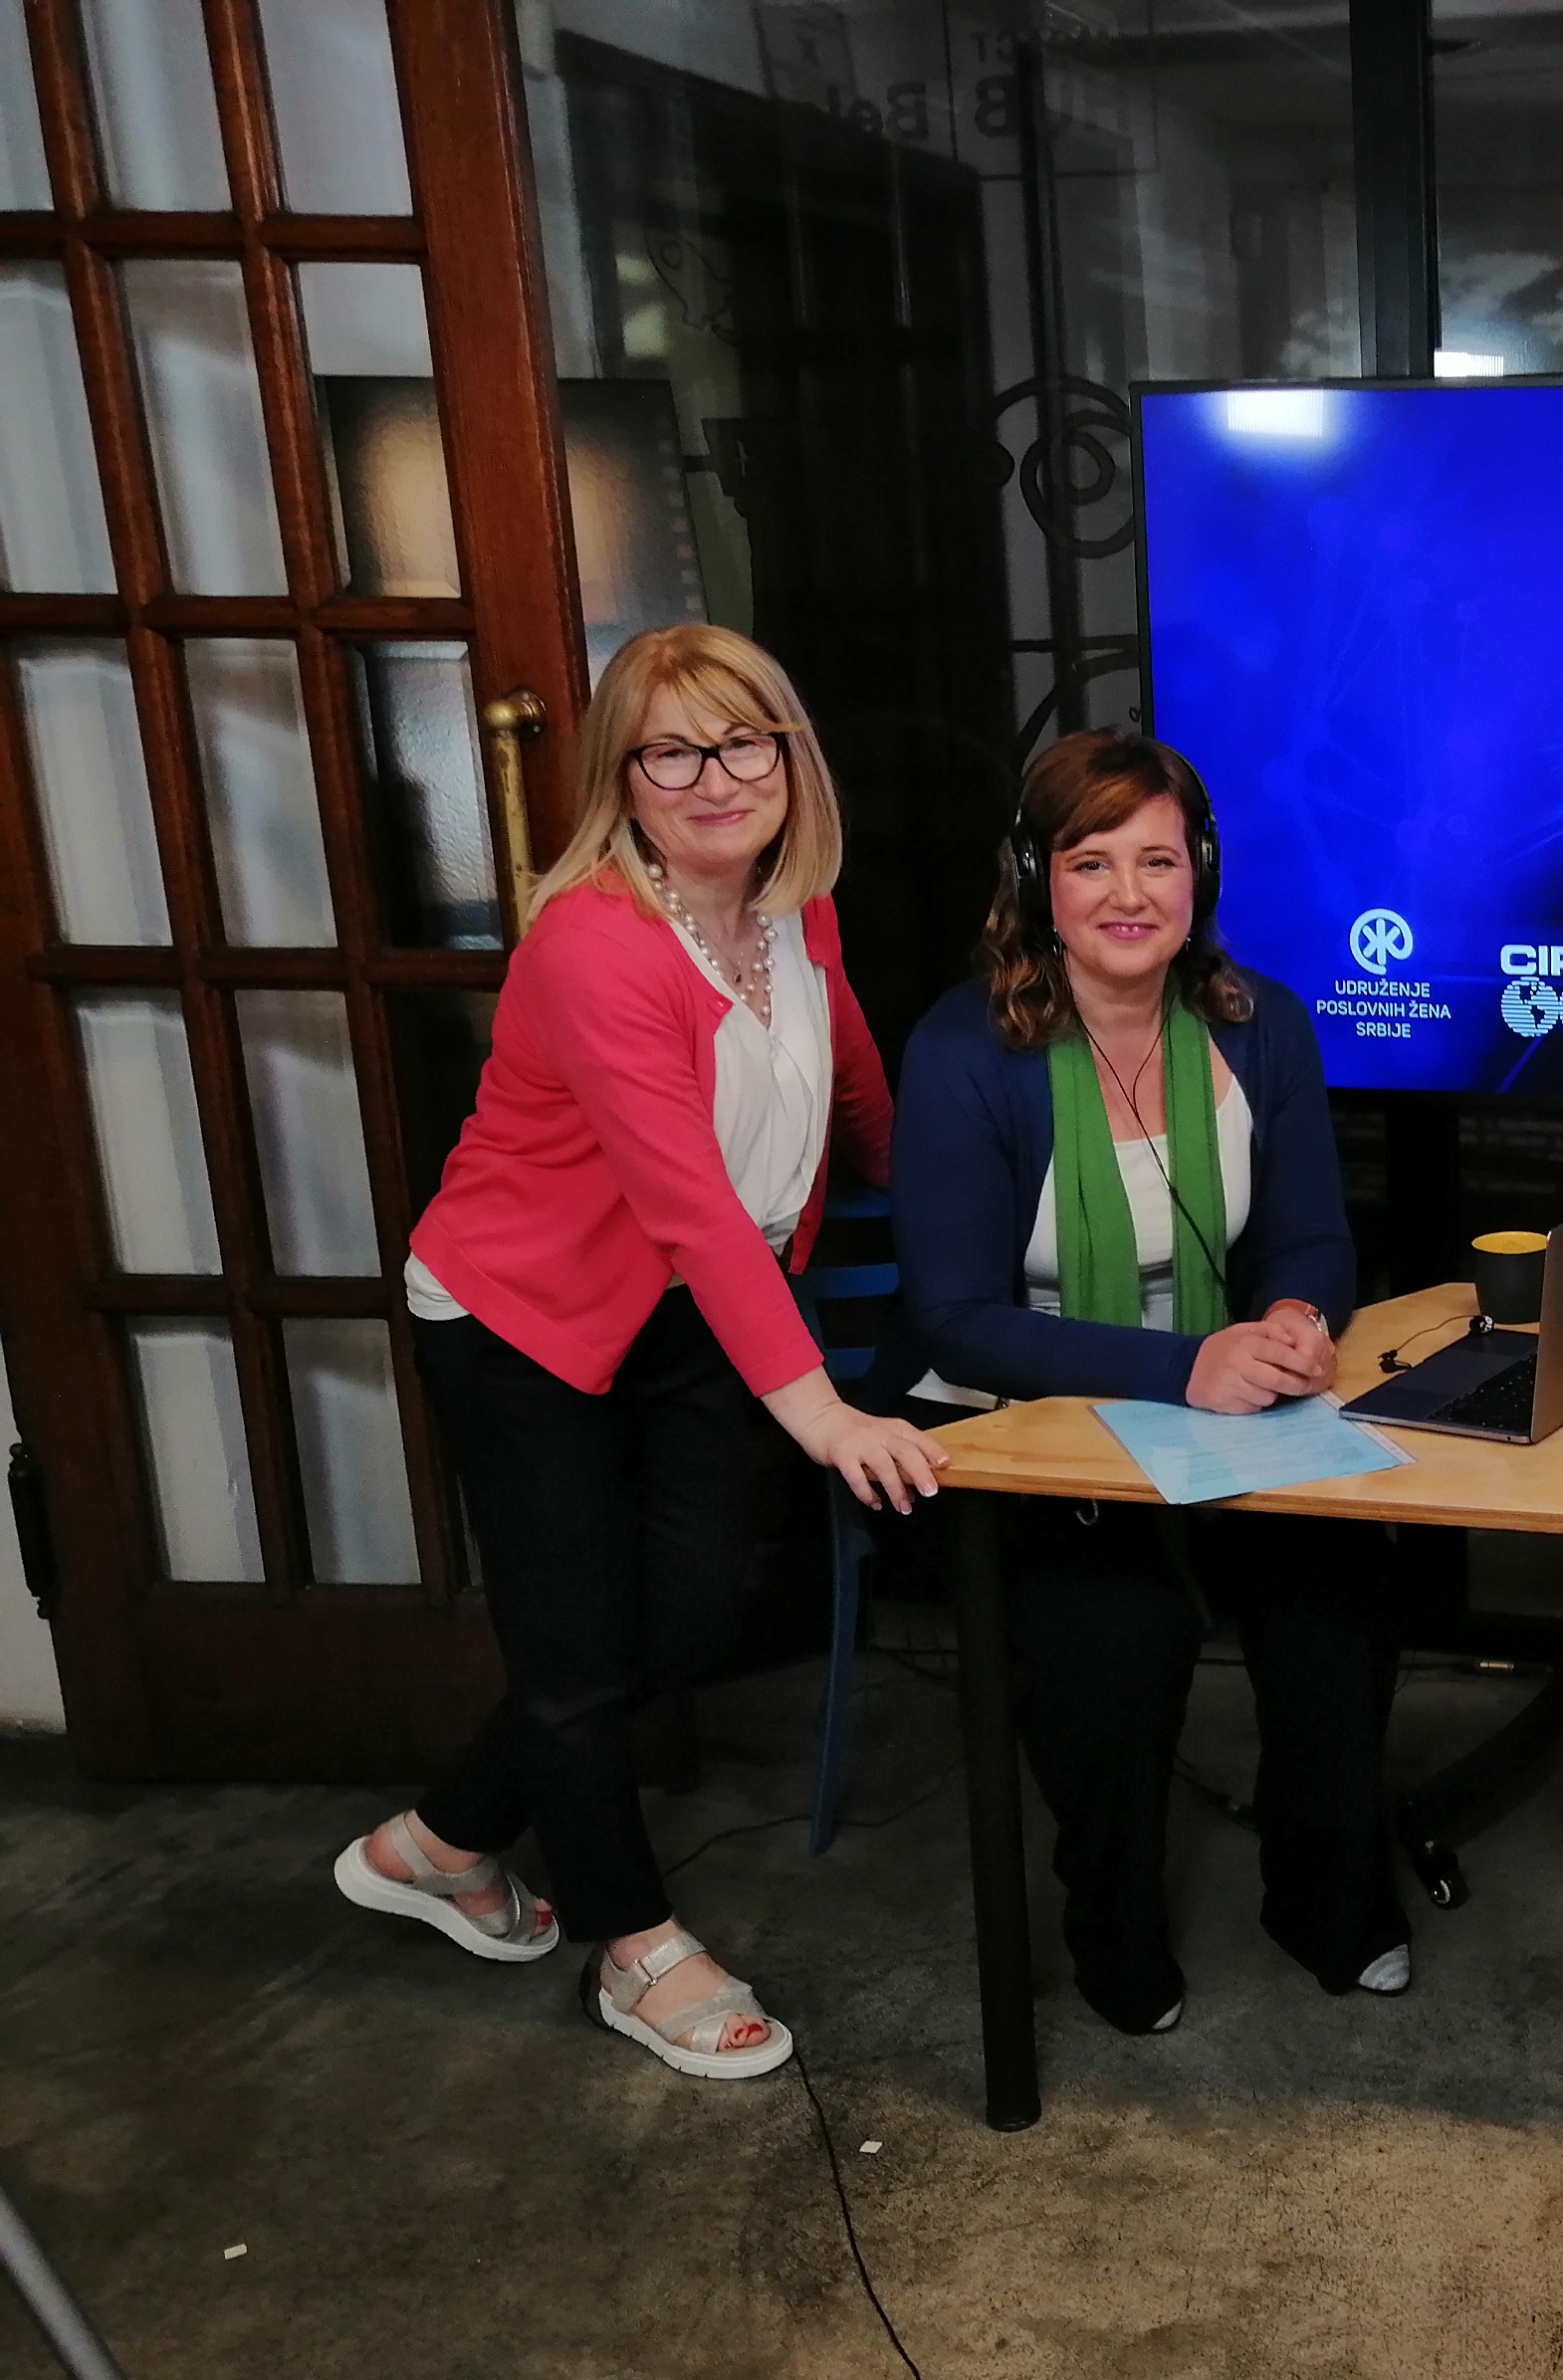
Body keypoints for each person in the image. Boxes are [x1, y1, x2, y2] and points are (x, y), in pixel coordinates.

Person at [331, 623, 945, 2081]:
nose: (715, 777)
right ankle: (634, 1947)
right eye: (672, 751)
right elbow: (687, 1202)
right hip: (525, 1313)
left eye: (744, 741)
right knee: (571, 1646)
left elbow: (854, 1082)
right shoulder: (595, 943)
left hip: (691, 1308)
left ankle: (441, 1841)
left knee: (683, 1618)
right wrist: (824, 1415)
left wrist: (961, 1213)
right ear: (622, 777)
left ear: (790, 758)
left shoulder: (796, 908)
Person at [877, 728, 1412, 2036]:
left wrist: (1296, 1316)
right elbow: (957, 1321)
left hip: (1221, 1399)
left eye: (1158, 861)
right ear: (1037, 879)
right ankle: (1111, 1927)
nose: (1129, 893)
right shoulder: (962, 1050)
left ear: (1200, 874)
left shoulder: (1261, 1024)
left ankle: (1328, 1899)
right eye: (1091, 860)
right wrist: (1186, 1365)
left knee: (1338, 1595)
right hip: (1020, 1414)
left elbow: (1313, 1235)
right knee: (1117, 1637)